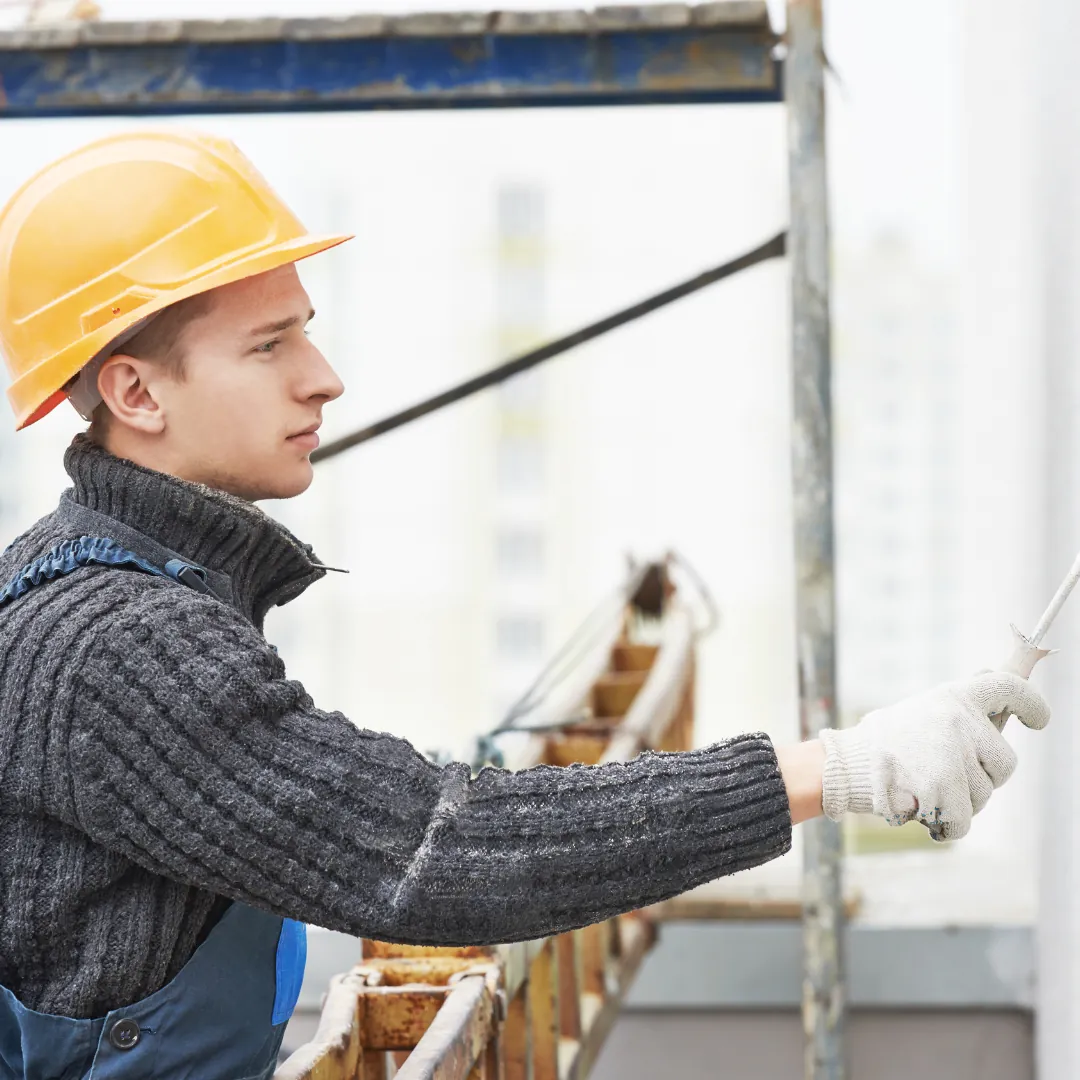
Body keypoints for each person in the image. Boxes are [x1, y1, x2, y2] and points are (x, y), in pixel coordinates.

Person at [0, 131, 1049, 1080]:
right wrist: (838, 770)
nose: (325, 380)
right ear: (136, 394)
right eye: (269, 347)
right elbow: (434, 853)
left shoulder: (94, 587)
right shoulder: (114, 645)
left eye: (306, 333)